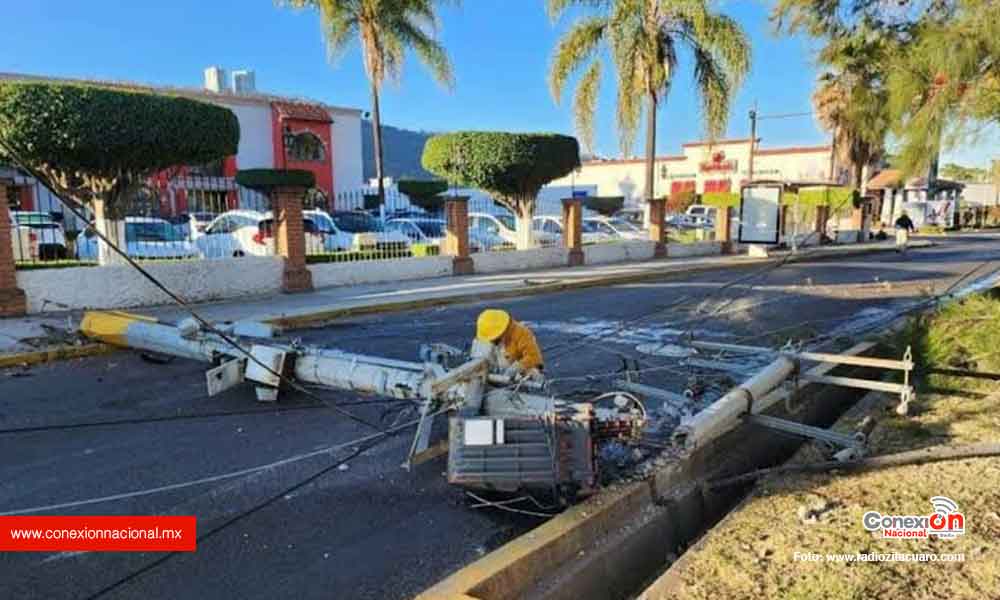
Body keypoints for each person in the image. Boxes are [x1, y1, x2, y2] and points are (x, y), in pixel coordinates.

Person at [476, 309, 544, 381]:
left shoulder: (522, 333)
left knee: (534, 373)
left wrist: (515, 368)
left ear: (502, 330)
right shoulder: (488, 334)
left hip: (521, 369)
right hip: (500, 368)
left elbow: (533, 357)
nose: (492, 340)